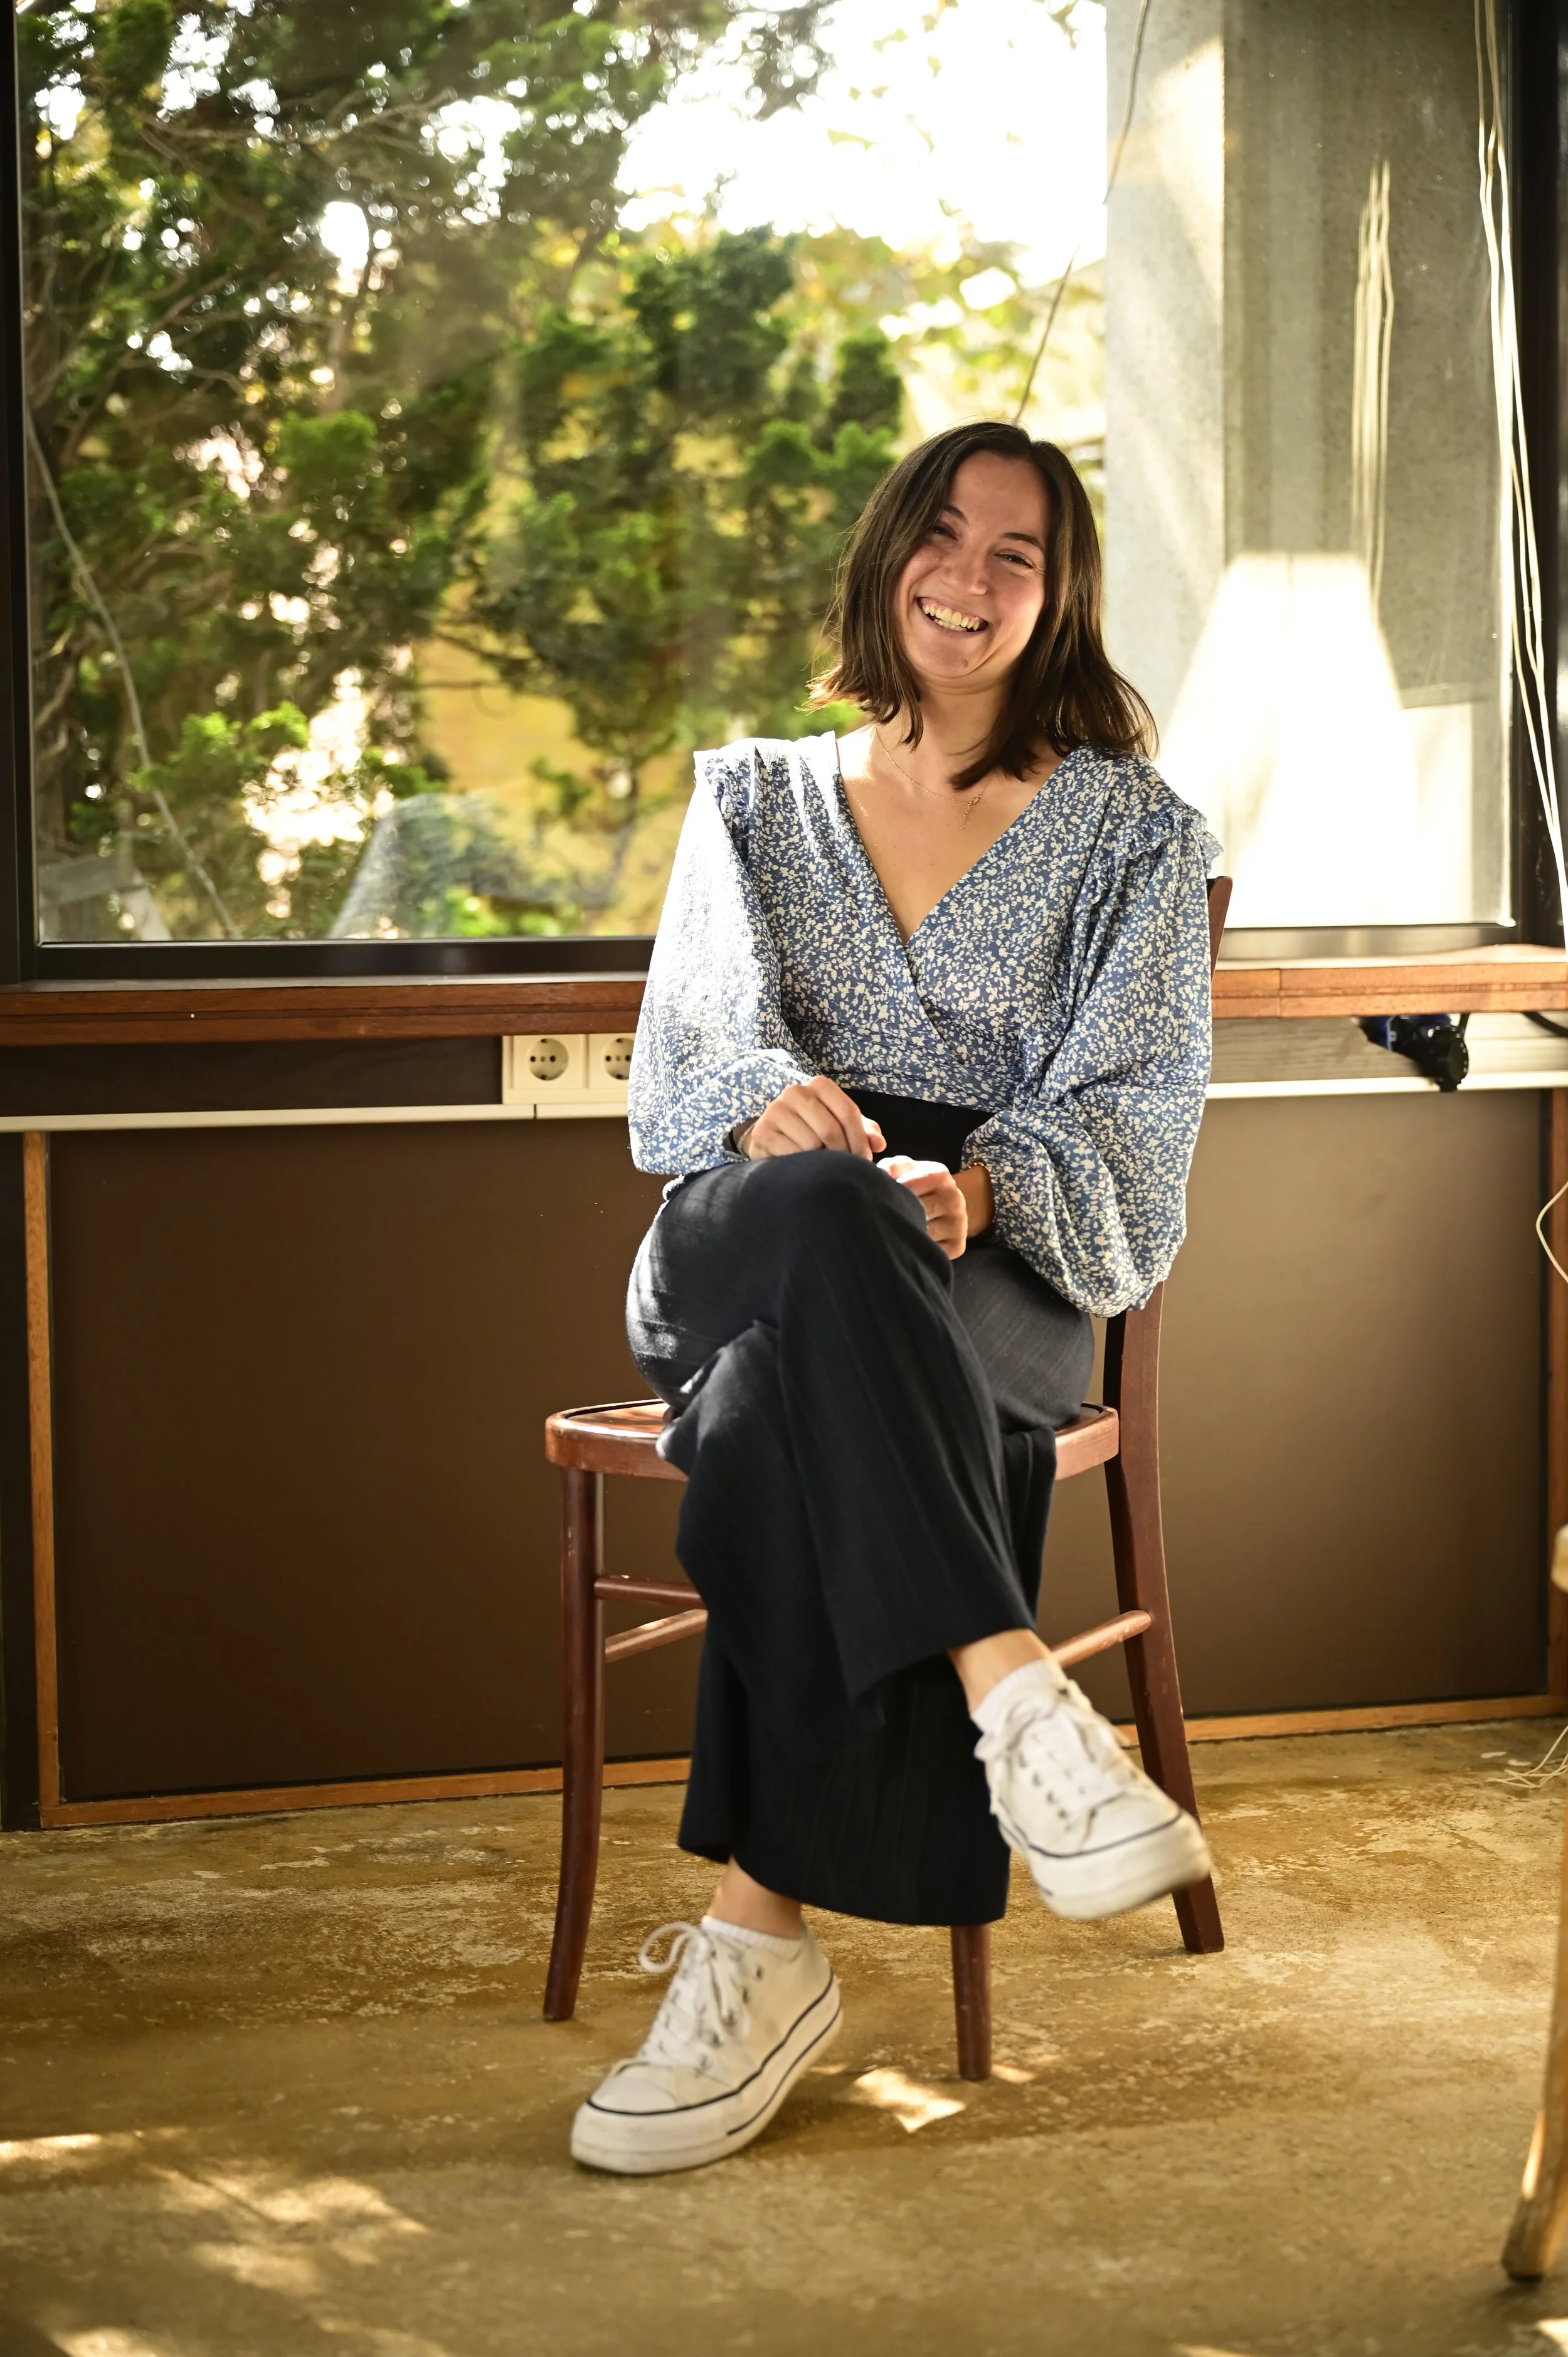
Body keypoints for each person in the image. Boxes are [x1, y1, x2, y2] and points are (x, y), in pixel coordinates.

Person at [571, 419, 1220, 2178]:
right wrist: (777, 1109)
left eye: (1018, 550)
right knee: (816, 1226)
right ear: (887, 555)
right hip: (752, 1221)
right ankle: (1019, 1699)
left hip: (988, 1251)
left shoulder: (1130, 838)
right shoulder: (755, 797)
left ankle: (754, 1947)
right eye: (944, 535)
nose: (972, 574)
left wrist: (983, 1184)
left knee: (789, 1408)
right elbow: (690, 1048)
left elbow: (1136, 1097)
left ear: (1061, 590)